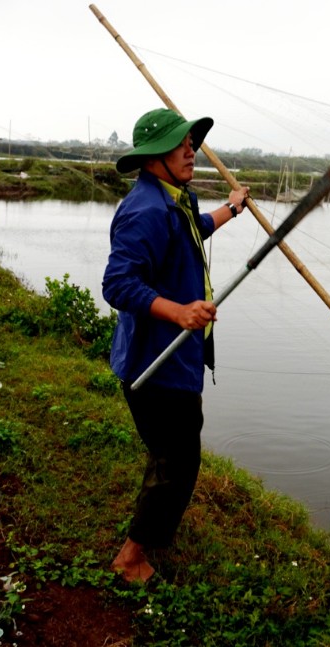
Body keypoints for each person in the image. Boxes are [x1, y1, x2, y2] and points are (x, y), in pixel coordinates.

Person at [101, 107, 249, 583]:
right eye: (179, 144)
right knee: (178, 463)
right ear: (152, 158)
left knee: (170, 455)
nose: (191, 151)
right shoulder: (144, 209)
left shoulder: (173, 198)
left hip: (175, 357)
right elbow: (117, 284)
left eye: (190, 142)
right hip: (155, 362)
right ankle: (131, 557)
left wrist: (231, 207)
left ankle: (151, 527)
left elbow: (193, 229)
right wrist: (180, 311)